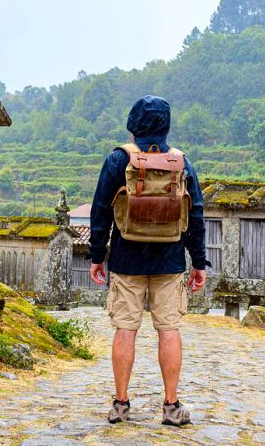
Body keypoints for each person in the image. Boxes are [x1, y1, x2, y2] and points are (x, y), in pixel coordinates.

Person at [88, 95, 209, 426]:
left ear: (132, 126)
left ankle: (120, 404)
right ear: (167, 125)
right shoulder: (181, 162)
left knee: (125, 330)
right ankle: (171, 406)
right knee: (168, 329)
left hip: (126, 260)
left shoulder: (118, 160)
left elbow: (100, 210)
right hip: (169, 262)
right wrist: (198, 261)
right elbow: (195, 213)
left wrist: (97, 256)